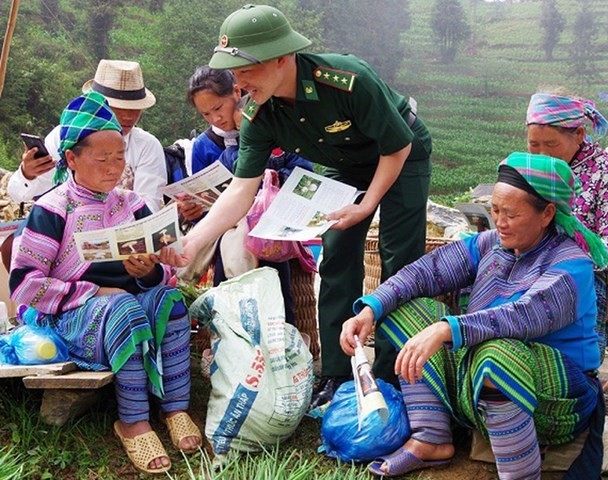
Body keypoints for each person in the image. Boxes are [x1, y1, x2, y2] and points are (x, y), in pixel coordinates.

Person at [163, 5, 433, 408]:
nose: (239, 84)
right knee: (337, 256)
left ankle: (392, 372)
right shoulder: (257, 112)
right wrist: (193, 242)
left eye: (245, 71)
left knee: (399, 258)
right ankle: (338, 374)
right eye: (234, 75)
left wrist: (367, 205)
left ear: (280, 58)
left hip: (400, 154)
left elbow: (396, 146)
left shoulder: (347, 80)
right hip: (344, 164)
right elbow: (241, 190)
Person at [341, 152, 608, 479]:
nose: (500, 221)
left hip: (556, 401)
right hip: (483, 384)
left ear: (547, 214)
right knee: (404, 309)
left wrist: (445, 329)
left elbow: (521, 316)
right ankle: (431, 438)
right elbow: (427, 272)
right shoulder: (491, 244)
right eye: (495, 210)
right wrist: (371, 308)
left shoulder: (571, 266)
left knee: (497, 352)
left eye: (511, 213)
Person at [9, 92, 201, 475]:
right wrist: (93, 291)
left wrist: (147, 273)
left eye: (119, 158)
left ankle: (175, 408)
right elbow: (25, 286)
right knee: (124, 307)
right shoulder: (52, 209)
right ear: (72, 159)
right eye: (102, 158)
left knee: (169, 300)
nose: (114, 168)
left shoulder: (131, 205)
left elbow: (167, 272)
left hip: (125, 309)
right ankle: (132, 420)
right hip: (69, 316)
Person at [181, 65, 315, 326]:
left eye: (219, 108)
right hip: (225, 232)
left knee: (266, 266)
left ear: (236, 91)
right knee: (228, 259)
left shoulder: (274, 128)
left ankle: (280, 339)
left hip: (272, 225)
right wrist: (195, 209)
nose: (215, 119)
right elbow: (207, 203)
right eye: (206, 114)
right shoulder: (205, 146)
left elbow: (303, 174)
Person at [526, 91, 608, 361]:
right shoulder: (529, 170)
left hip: (585, 279)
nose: (542, 153)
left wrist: (562, 256)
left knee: (573, 368)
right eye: (534, 144)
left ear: (580, 134)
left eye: (551, 144)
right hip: (530, 269)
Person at [8, 59, 167, 213]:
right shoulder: (64, 137)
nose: (127, 117)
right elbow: (19, 194)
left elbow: (149, 207)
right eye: (118, 108)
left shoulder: (147, 146)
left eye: (134, 109)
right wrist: (28, 174)